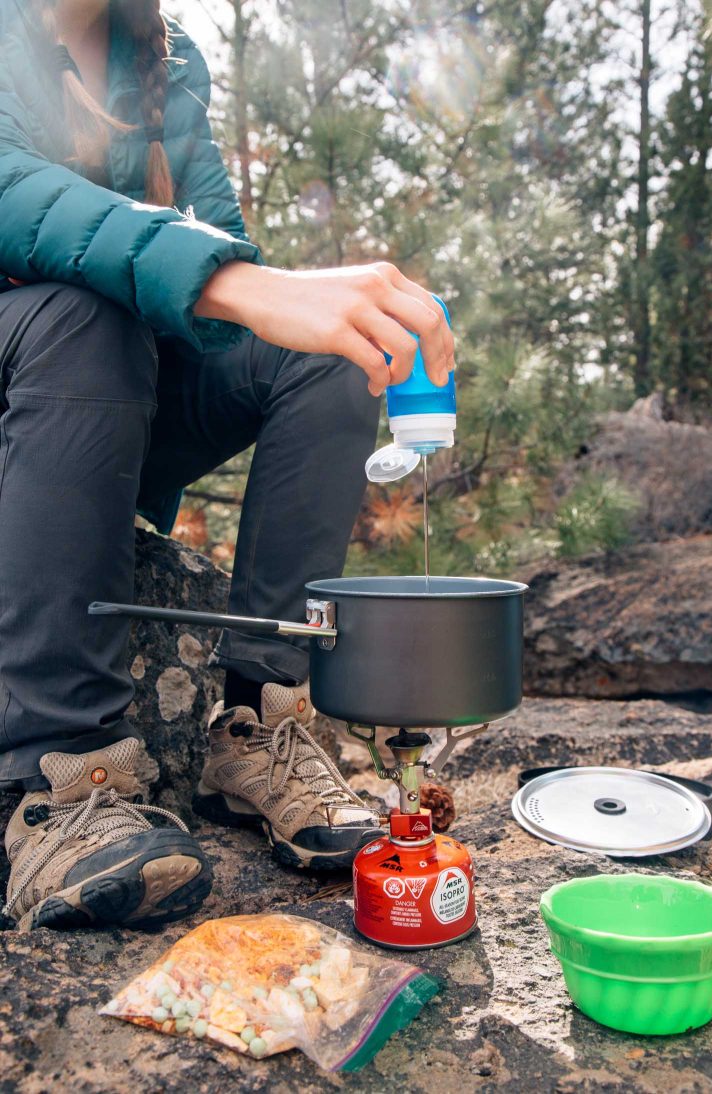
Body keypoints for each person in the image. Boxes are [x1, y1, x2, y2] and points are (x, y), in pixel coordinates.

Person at [0, 0, 455, 932]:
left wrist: (325, 316)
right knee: (85, 316)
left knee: (334, 354)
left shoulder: (164, 55)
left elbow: (215, 299)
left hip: (116, 405)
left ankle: (259, 721)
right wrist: (233, 282)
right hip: (35, 390)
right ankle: (52, 780)